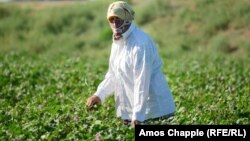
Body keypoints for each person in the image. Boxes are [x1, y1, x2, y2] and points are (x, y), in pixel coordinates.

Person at [86, 1, 176, 127]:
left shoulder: (140, 44)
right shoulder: (117, 42)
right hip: (131, 113)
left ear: (128, 18)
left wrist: (138, 116)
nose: (115, 23)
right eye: (111, 20)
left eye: (118, 19)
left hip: (154, 112)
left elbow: (142, 81)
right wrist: (99, 94)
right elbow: (113, 75)